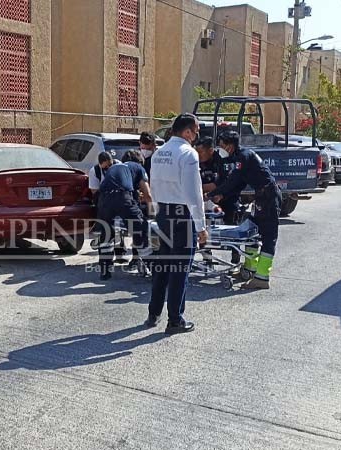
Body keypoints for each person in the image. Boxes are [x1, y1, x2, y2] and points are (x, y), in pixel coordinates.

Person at [146, 113, 207, 335]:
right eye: (196, 130)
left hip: (163, 212)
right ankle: (175, 319)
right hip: (182, 216)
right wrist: (201, 226)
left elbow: (153, 186)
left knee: (162, 265)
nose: (197, 135)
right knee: (180, 269)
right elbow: (194, 194)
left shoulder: (158, 153)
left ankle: (154, 312)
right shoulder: (188, 154)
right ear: (187, 131)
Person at [209, 131, 281, 290]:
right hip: (262, 198)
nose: (220, 149)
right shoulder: (241, 157)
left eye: (221, 145)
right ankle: (249, 268)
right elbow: (239, 183)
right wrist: (221, 194)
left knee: (269, 236)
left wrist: (212, 193)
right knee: (251, 230)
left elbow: (233, 180)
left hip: (268, 197)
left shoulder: (244, 156)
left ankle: (262, 277)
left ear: (230, 145)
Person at [95, 156, 152, 281]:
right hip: (122, 196)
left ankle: (105, 271)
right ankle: (152, 267)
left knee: (107, 233)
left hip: (104, 198)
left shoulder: (115, 167)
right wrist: (153, 213)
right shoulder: (139, 167)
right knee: (139, 229)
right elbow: (147, 195)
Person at [195, 137, 240, 225]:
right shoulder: (195, 161)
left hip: (226, 201)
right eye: (196, 152)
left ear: (210, 150)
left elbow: (227, 182)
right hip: (205, 202)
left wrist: (209, 188)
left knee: (228, 231)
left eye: (200, 152)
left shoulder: (222, 159)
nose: (198, 155)